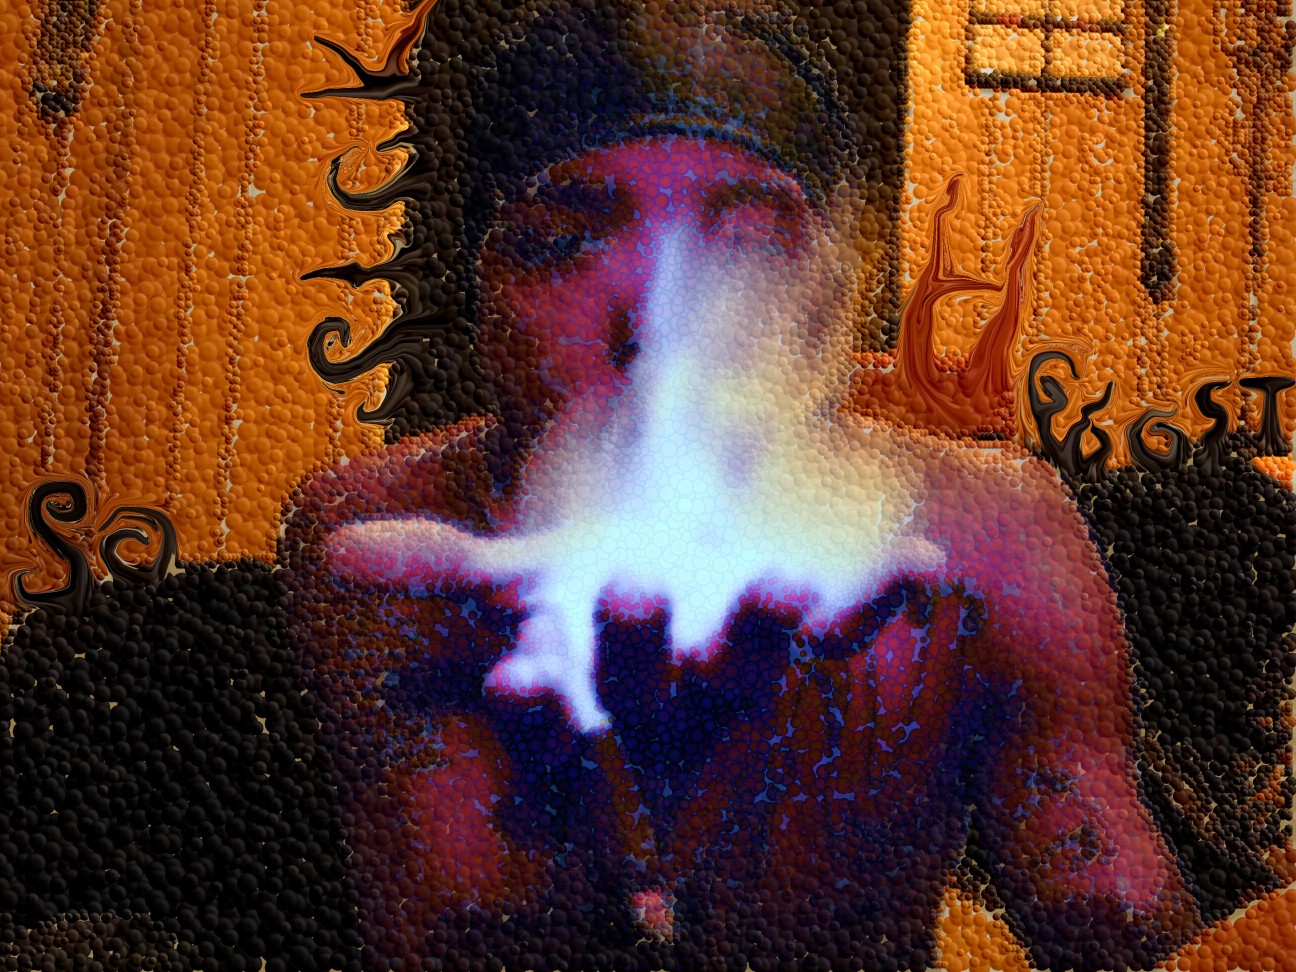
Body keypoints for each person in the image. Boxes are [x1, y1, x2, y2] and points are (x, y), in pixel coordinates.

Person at [279, 1, 1205, 969]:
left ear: (835, 297)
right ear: (478, 290)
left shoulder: (990, 534)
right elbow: (442, 936)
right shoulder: (385, 541)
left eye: (753, 242)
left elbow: (1123, 924)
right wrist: (628, 805)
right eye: (563, 242)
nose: (659, 317)